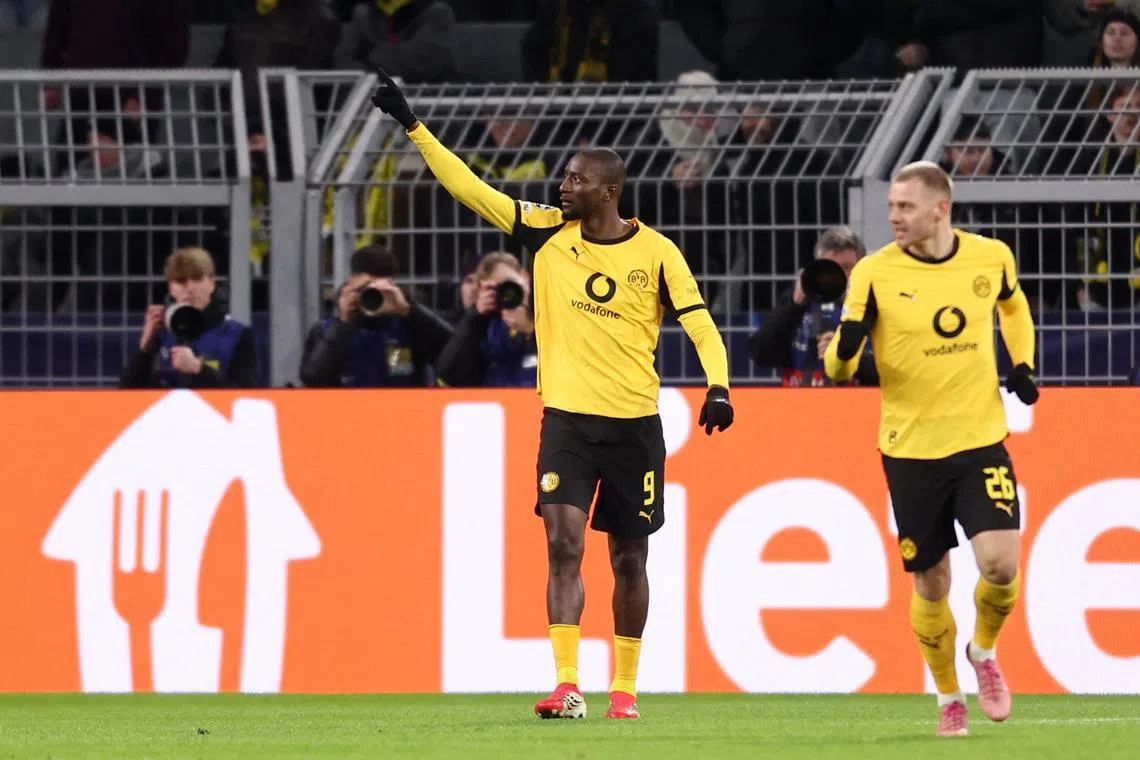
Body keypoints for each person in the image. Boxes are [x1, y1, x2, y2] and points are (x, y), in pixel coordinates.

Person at [371, 67, 734, 720]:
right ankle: (568, 685)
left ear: (609, 191)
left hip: (634, 426)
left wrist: (719, 386)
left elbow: (701, 323)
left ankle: (624, 691)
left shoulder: (658, 253)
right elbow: (470, 188)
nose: (562, 186)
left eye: (575, 179)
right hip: (566, 421)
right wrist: (413, 125)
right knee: (563, 544)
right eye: (564, 176)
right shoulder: (543, 231)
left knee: (629, 558)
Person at [823, 161, 1039, 737]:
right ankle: (948, 697)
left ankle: (983, 651)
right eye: (892, 206)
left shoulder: (990, 257)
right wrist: (847, 346)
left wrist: (1022, 363)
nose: (893, 216)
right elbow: (838, 369)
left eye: (905, 207)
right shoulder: (874, 273)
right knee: (931, 582)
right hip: (910, 450)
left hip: (979, 440)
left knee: (1001, 565)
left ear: (941, 209)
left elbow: (1013, 306)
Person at [299, 244, 453, 387]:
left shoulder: (407, 325)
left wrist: (410, 310)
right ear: (351, 284)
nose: (373, 295)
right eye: (366, 288)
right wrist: (344, 323)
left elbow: (454, 358)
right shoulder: (327, 329)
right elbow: (313, 378)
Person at [748, 226, 877, 387]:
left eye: (847, 268)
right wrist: (793, 306)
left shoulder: (873, 305)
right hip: (799, 399)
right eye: (830, 267)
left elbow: (890, 371)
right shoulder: (798, 300)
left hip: (856, 399)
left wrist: (845, 354)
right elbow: (762, 355)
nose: (838, 276)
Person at [120, 247, 259, 388]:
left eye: (197, 279)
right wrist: (144, 347)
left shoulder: (238, 334)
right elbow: (126, 392)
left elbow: (246, 396)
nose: (190, 288)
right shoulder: (159, 332)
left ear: (212, 283)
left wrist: (199, 369)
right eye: (181, 281)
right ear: (171, 288)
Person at [434, 251, 538, 388]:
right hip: (498, 398)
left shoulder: (550, 310)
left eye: (509, 283)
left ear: (524, 276)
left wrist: (532, 330)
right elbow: (448, 376)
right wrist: (475, 316)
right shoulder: (485, 326)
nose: (508, 292)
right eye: (498, 289)